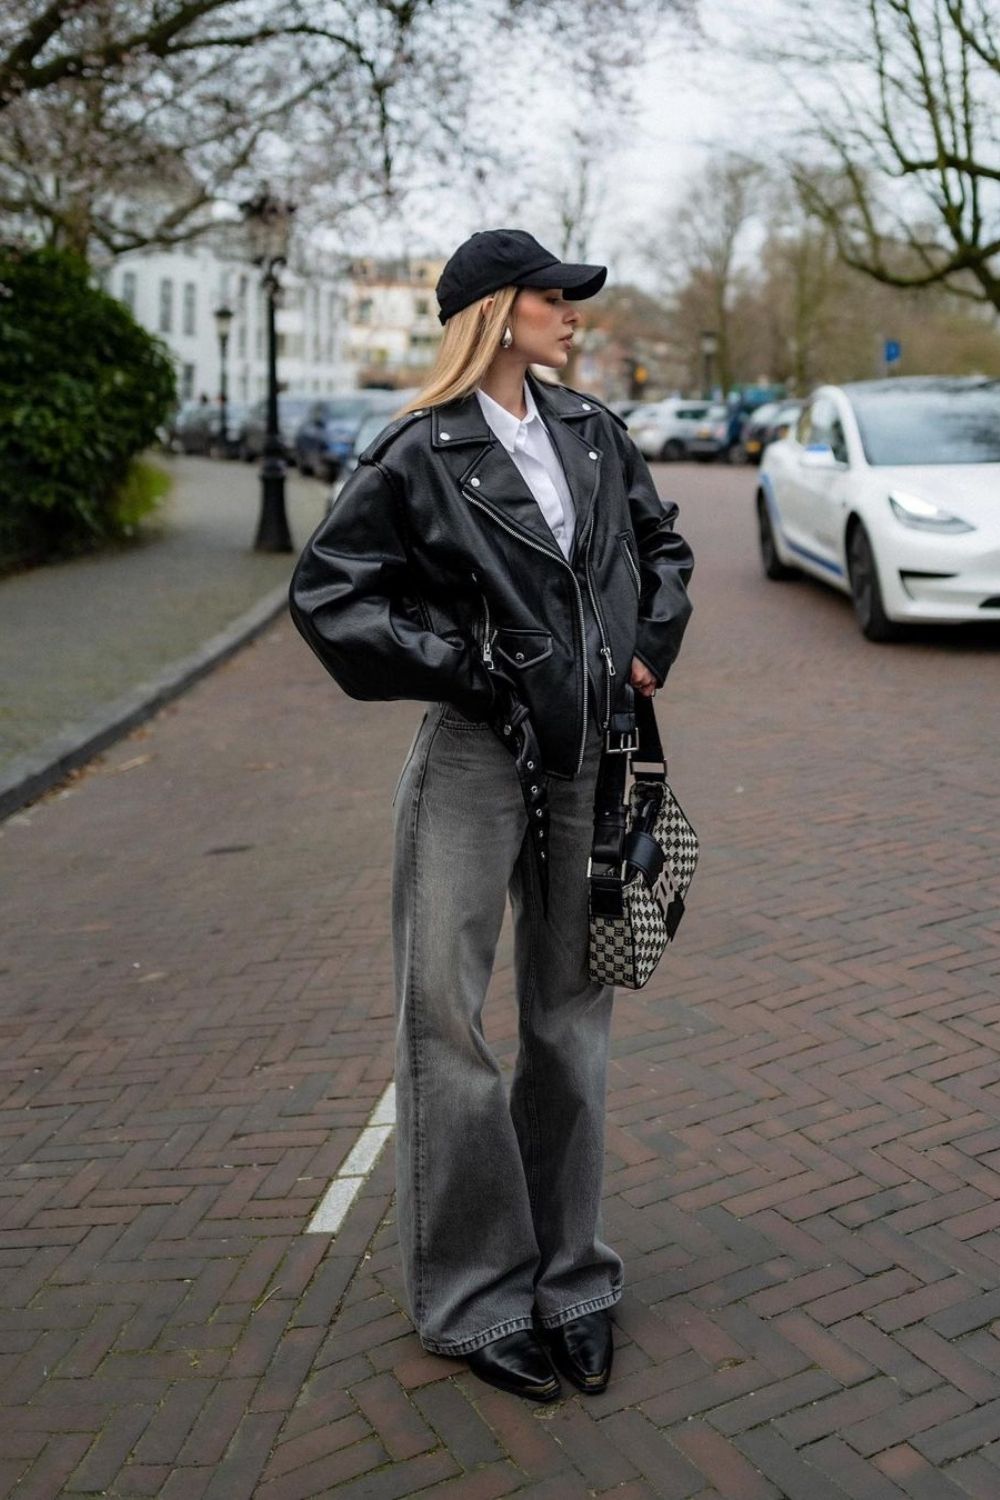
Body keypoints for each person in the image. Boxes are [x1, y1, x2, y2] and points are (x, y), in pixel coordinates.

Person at [289, 228, 694, 1403]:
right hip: (473, 759)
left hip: (591, 762)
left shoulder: (591, 432)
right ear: (492, 313)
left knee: (569, 1021)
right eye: (552, 297)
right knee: (447, 1026)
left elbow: (661, 548)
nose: (573, 314)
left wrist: (642, 648)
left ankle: (570, 1277)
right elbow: (329, 593)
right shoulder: (420, 451)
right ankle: (473, 1294)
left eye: (572, 298)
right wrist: (468, 669)